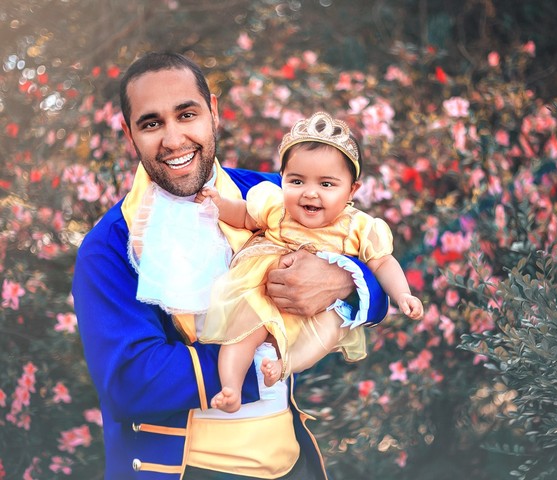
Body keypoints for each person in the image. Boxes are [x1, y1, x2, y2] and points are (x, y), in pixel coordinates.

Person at [72, 52, 389, 480]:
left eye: (187, 114)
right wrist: (264, 358)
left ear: (213, 113)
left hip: (293, 465)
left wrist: (340, 281)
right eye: (152, 123)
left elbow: (372, 259)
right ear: (130, 135)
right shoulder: (108, 246)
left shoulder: (272, 193)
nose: (173, 138)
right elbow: (131, 382)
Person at [195, 111, 424, 413]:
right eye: (297, 180)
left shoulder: (357, 226)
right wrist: (220, 204)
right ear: (283, 179)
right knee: (243, 331)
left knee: (329, 328)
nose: (310, 192)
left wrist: (403, 294)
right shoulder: (277, 207)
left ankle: (284, 364)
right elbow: (245, 216)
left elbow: (382, 263)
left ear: (352, 190)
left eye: (327, 184)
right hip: (262, 288)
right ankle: (231, 387)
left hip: (316, 310)